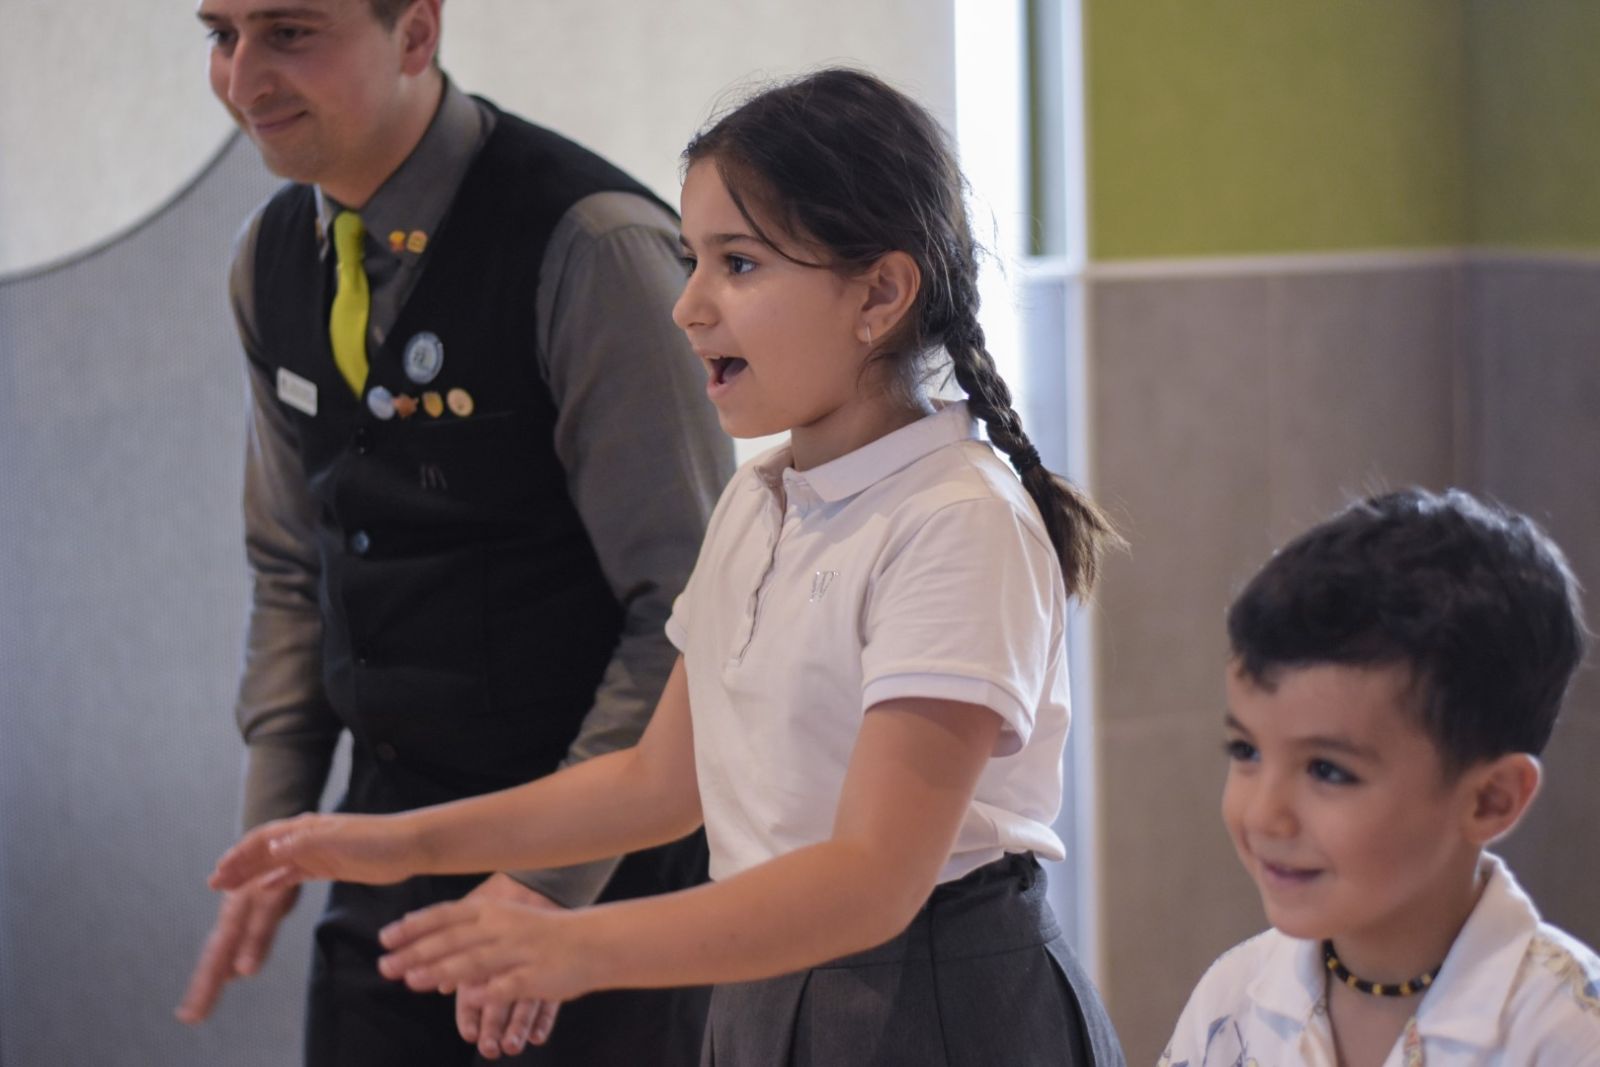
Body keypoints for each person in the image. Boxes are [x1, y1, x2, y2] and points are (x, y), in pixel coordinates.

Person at [208, 67, 1128, 1066]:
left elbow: (873, 880)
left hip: (939, 996)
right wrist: (401, 843)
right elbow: (657, 782)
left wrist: (575, 945)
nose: (687, 305)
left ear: (880, 292)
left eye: (738, 263)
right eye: (693, 260)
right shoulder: (760, 498)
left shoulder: (956, 518)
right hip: (773, 979)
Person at [175, 1, 734, 1063]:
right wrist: (276, 833)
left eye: (289, 32)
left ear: (416, 34)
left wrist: (543, 882)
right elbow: (293, 566)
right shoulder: (271, 256)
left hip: (605, 885)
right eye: (221, 35)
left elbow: (689, 608)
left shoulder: (592, 246)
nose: (242, 81)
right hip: (384, 857)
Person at [1160, 489, 1599, 1066]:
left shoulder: (1571, 1035)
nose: (1264, 814)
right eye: (1246, 750)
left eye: (1327, 770)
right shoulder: (1231, 1001)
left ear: (1491, 800)